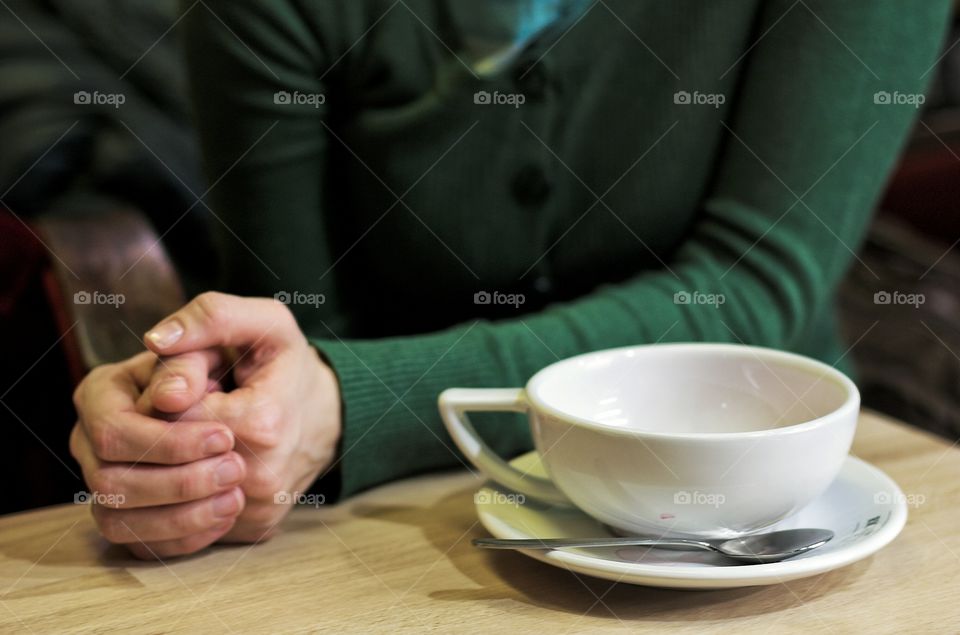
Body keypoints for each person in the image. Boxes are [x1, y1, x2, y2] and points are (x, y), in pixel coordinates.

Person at [69, 0, 952, 558]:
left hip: (774, 510)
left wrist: (339, 402)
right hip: (408, 515)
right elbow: (298, 337)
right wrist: (206, 427)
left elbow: (753, 289)